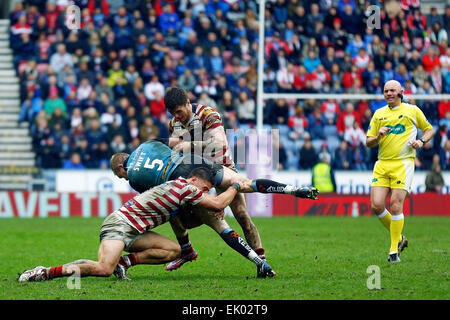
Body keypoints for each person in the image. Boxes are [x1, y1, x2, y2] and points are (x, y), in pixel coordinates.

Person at [18, 168, 276, 282]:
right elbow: (219, 205)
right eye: (205, 188)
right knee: (102, 269)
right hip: (119, 225)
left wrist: (187, 245)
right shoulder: (186, 188)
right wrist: (233, 185)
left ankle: (124, 264)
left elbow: (182, 221)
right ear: (194, 180)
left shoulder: (181, 190)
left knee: (174, 251)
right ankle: (45, 272)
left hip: (135, 231)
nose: (205, 194)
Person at [162, 87, 318, 267]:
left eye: (179, 111)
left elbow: (219, 143)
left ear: (188, 103)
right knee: (173, 208)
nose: (177, 116)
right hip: (197, 175)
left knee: (242, 216)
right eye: (173, 113)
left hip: (222, 168)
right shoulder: (174, 124)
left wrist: (189, 145)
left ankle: (262, 261)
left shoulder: (208, 114)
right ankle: (186, 250)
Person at [110, 140, 318, 272]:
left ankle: (188, 249)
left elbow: (159, 195)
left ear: (121, 166)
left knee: (204, 219)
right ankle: (292, 189)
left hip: (181, 178)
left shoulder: (134, 178)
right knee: (247, 184)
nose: (123, 178)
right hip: (194, 161)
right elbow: (169, 146)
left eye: (120, 175)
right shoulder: (146, 145)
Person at [366, 80, 434, 263]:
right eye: (386, 91)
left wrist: (421, 142)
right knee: (377, 205)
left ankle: (393, 251)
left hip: (403, 163)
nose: (389, 93)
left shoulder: (412, 110)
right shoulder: (379, 114)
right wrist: (378, 136)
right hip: (382, 164)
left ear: (401, 92)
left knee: (396, 204)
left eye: (392, 90)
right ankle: (400, 238)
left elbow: (429, 130)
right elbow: (368, 141)